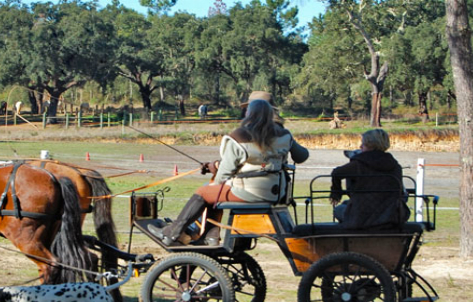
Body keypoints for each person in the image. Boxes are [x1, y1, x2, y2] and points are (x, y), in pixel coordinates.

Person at [148, 92, 309, 246]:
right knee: (212, 191)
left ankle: (172, 233)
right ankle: (210, 236)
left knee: (204, 192)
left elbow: (224, 173)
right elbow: (302, 156)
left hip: (251, 192)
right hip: (276, 193)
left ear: (249, 113)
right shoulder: (284, 135)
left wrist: (215, 173)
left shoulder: (239, 136)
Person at [329, 129, 410, 229]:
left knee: (338, 209)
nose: (360, 146)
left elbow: (336, 173)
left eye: (363, 144)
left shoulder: (358, 164)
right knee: (346, 205)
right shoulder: (395, 166)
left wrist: (336, 192)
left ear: (369, 144)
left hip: (361, 217)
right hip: (391, 216)